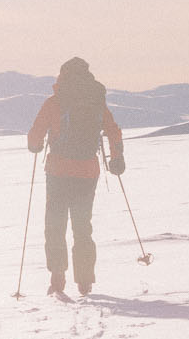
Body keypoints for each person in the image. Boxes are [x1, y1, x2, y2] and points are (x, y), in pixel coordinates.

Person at [26, 56, 123, 298]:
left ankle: (58, 275)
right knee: (82, 227)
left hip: (58, 171)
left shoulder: (55, 102)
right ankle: (85, 281)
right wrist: (117, 158)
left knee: (55, 224)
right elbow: (113, 130)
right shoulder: (96, 102)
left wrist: (36, 146)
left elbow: (34, 137)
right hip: (87, 172)